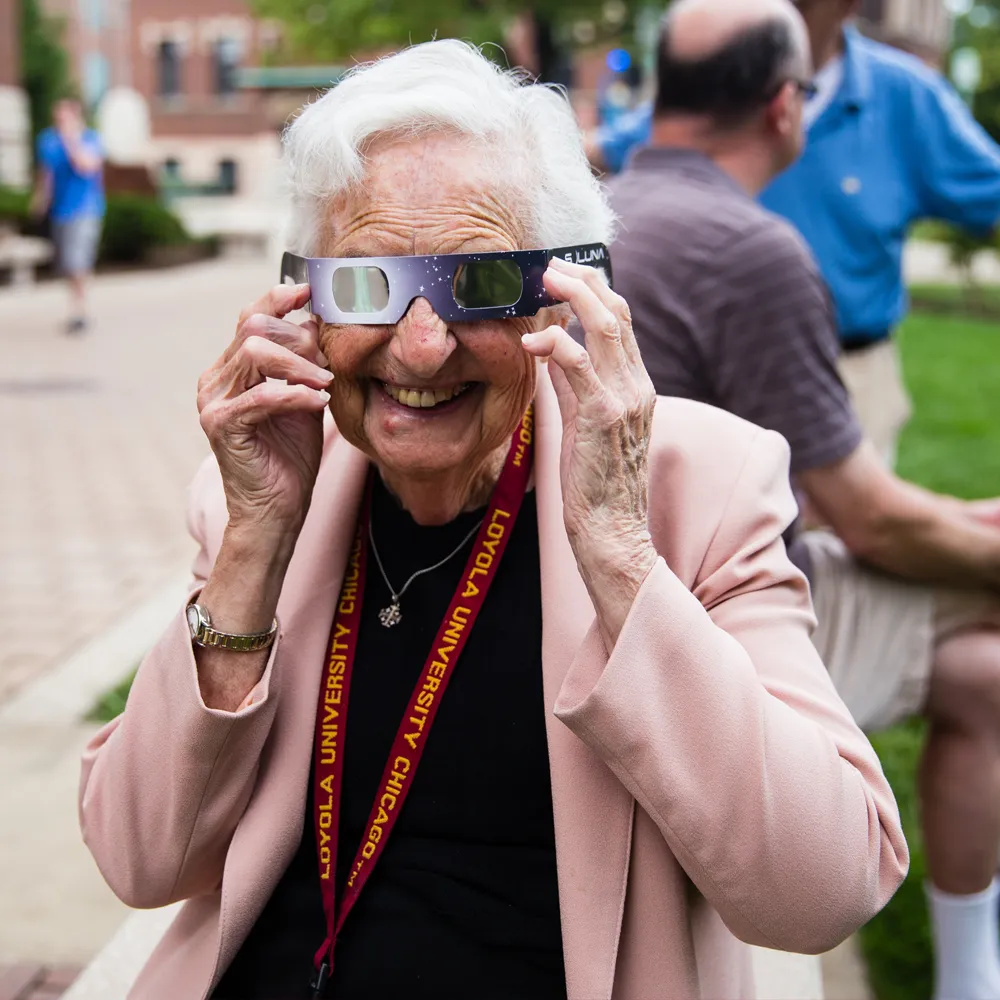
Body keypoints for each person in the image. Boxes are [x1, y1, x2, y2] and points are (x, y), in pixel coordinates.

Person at [78, 40, 906, 1000]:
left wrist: (621, 555)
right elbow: (138, 860)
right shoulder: (261, 489)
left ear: (561, 295)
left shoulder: (700, 484)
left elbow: (823, 893)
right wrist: (255, 548)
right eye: (368, 283)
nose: (422, 351)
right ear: (304, 303)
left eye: (478, 283)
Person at [605, 2, 1000, 998]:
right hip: (709, 616)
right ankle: (966, 976)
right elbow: (865, 518)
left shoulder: (613, 207)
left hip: (641, 582)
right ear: (787, 109)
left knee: (981, 673)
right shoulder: (748, 246)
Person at [761, 0, 1000, 463]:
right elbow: (618, 154)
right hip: (721, 371)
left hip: (851, 379)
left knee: (849, 532)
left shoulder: (906, 94)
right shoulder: (716, 73)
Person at [31, 98, 105, 334]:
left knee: (77, 260)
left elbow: (86, 166)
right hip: (60, 211)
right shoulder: (47, 140)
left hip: (86, 209)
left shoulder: (90, 139)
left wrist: (71, 139)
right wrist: (41, 200)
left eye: (64, 117)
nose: (60, 122)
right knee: (67, 264)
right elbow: (47, 174)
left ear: (76, 116)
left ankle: (81, 312)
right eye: (58, 118)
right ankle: (77, 305)